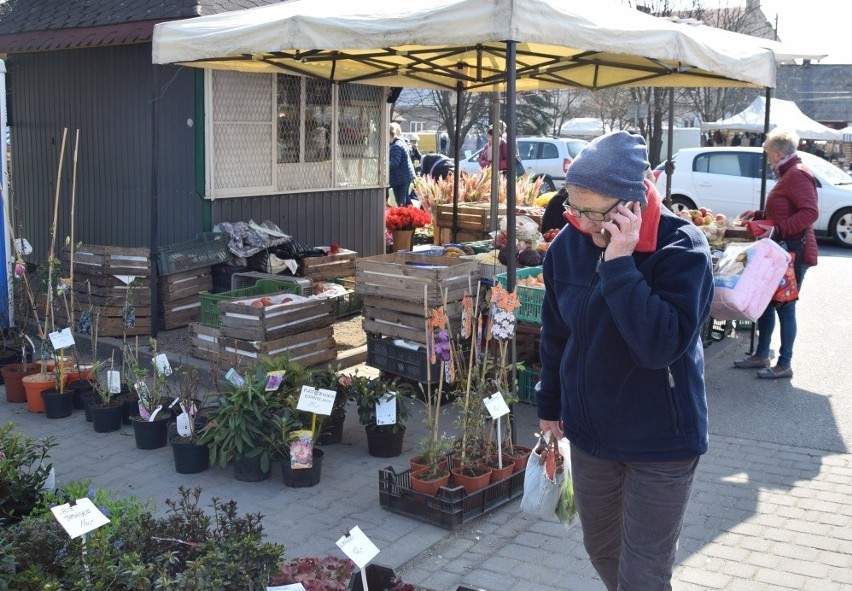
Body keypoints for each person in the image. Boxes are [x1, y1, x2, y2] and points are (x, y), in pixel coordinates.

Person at [536, 130, 713, 591]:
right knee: (603, 552)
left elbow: (658, 346)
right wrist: (549, 406)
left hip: (662, 442)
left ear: (634, 203)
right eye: (575, 208)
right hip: (592, 437)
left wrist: (619, 264)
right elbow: (556, 336)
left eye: (596, 213)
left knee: (643, 573)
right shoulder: (567, 248)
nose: (585, 224)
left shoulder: (682, 249)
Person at [732, 128, 818, 379]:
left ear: (779, 153)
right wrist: (759, 215)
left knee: (785, 307)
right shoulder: (789, 173)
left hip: (793, 250)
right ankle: (761, 354)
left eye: (769, 155)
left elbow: (809, 212)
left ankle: (785, 362)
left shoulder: (797, 175)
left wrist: (778, 230)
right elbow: (785, 209)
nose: (768, 160)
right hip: (783, 248)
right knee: (768, 304)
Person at [388, 123, 416, 206]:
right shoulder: (401, 142)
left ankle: (406, 218)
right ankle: (413, 216)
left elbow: (394, 163)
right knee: (406, 200)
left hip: (400, 179)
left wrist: (382, 164)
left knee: (401, 202)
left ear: (389, 134)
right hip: (406, 176)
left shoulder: (395, 146)